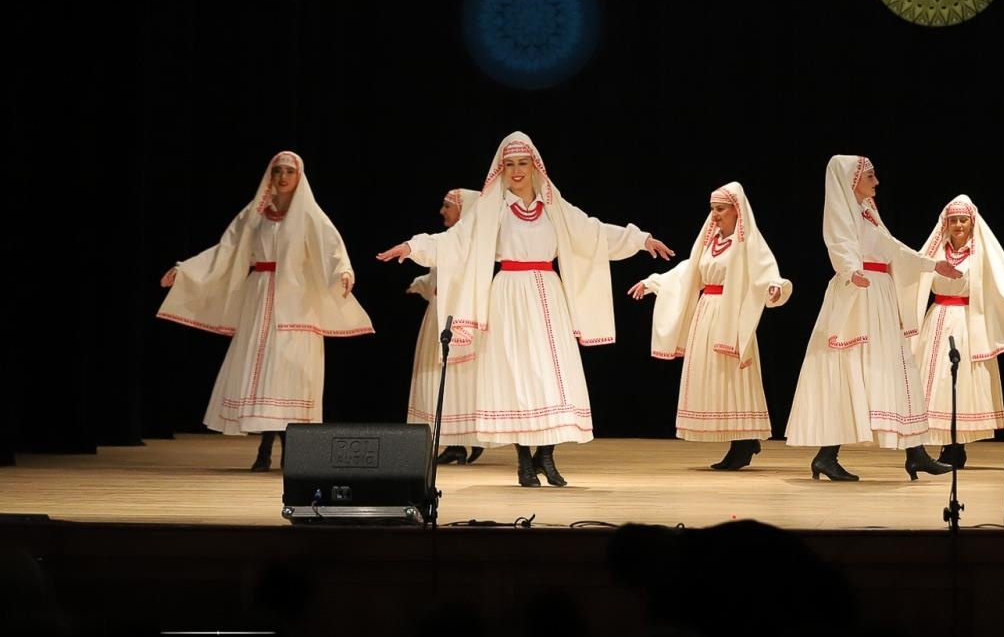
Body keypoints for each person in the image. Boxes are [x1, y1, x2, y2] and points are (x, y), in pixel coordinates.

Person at [377, 132, 673, 487]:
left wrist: (640, 240)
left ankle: (546, 456)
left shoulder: (554, 207)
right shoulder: (493, 209)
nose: (517, 171)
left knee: (553, 375)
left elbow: (593, 233)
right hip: (508, 296)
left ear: (535, 166)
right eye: (510, 164)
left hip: (548, 294)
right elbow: (455, 241)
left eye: (523, 163)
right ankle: (524, 462)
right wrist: (412, 247)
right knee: (516, 376)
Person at [158, 151, 372, 471]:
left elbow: (332, 249)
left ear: (299, 177)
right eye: (277, 171)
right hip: (260, 296)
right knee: (262, 372)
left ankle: (289, 451)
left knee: (287, 373)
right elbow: (226, 251)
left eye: (289, 171)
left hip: (297, 302)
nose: (283, 177)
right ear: (269, 176)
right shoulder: (255, 214)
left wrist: (343, 272)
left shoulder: (310, 215)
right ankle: (263, 448)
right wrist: (185, 270)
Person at [784, 155, 962, 481]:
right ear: (852, 180)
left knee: (898, 369)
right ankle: (827, 455)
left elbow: (893, 249)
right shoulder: (844, 213)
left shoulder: (869, 212)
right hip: (858, 294)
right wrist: (851, 272)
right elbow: (839, 244)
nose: (876, 182)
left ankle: (916, 453)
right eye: (870, 175)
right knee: (852, 372)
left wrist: (932, 264)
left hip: (878, 292)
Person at [627, 183, 791, 471]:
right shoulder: (709, 240)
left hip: (732, 315)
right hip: (707, 312)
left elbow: (766, 270)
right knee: (713, 377)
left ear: (736, 210)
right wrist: (653, 282)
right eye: (712, 209)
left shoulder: (748, 241)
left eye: (720, 209)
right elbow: (689, 271)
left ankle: (743, 441)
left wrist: (775, 288)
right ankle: (741, 439)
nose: (714, 215)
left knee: (733, 377)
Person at [911, 195, 1004, 469]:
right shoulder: (935, 251)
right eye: (953, 220)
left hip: (968, 321)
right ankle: (936, 446)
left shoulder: (980, 252)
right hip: (938, 318)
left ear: (971, 222)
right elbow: (912, 271)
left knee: (961, 380)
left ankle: (956, 447)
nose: (957, 225)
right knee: (934, 382)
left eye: (962, 220)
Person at [404, 188, 483, 465]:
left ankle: (459, 441)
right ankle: (455, 440)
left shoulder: (470, 241)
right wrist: (420, 285)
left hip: (456, 315)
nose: (442, 211)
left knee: (453, 376)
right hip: (438, 312)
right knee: (439, 376)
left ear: (463, 210)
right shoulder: (453, 240)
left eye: (447, 206)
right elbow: (438, 278)